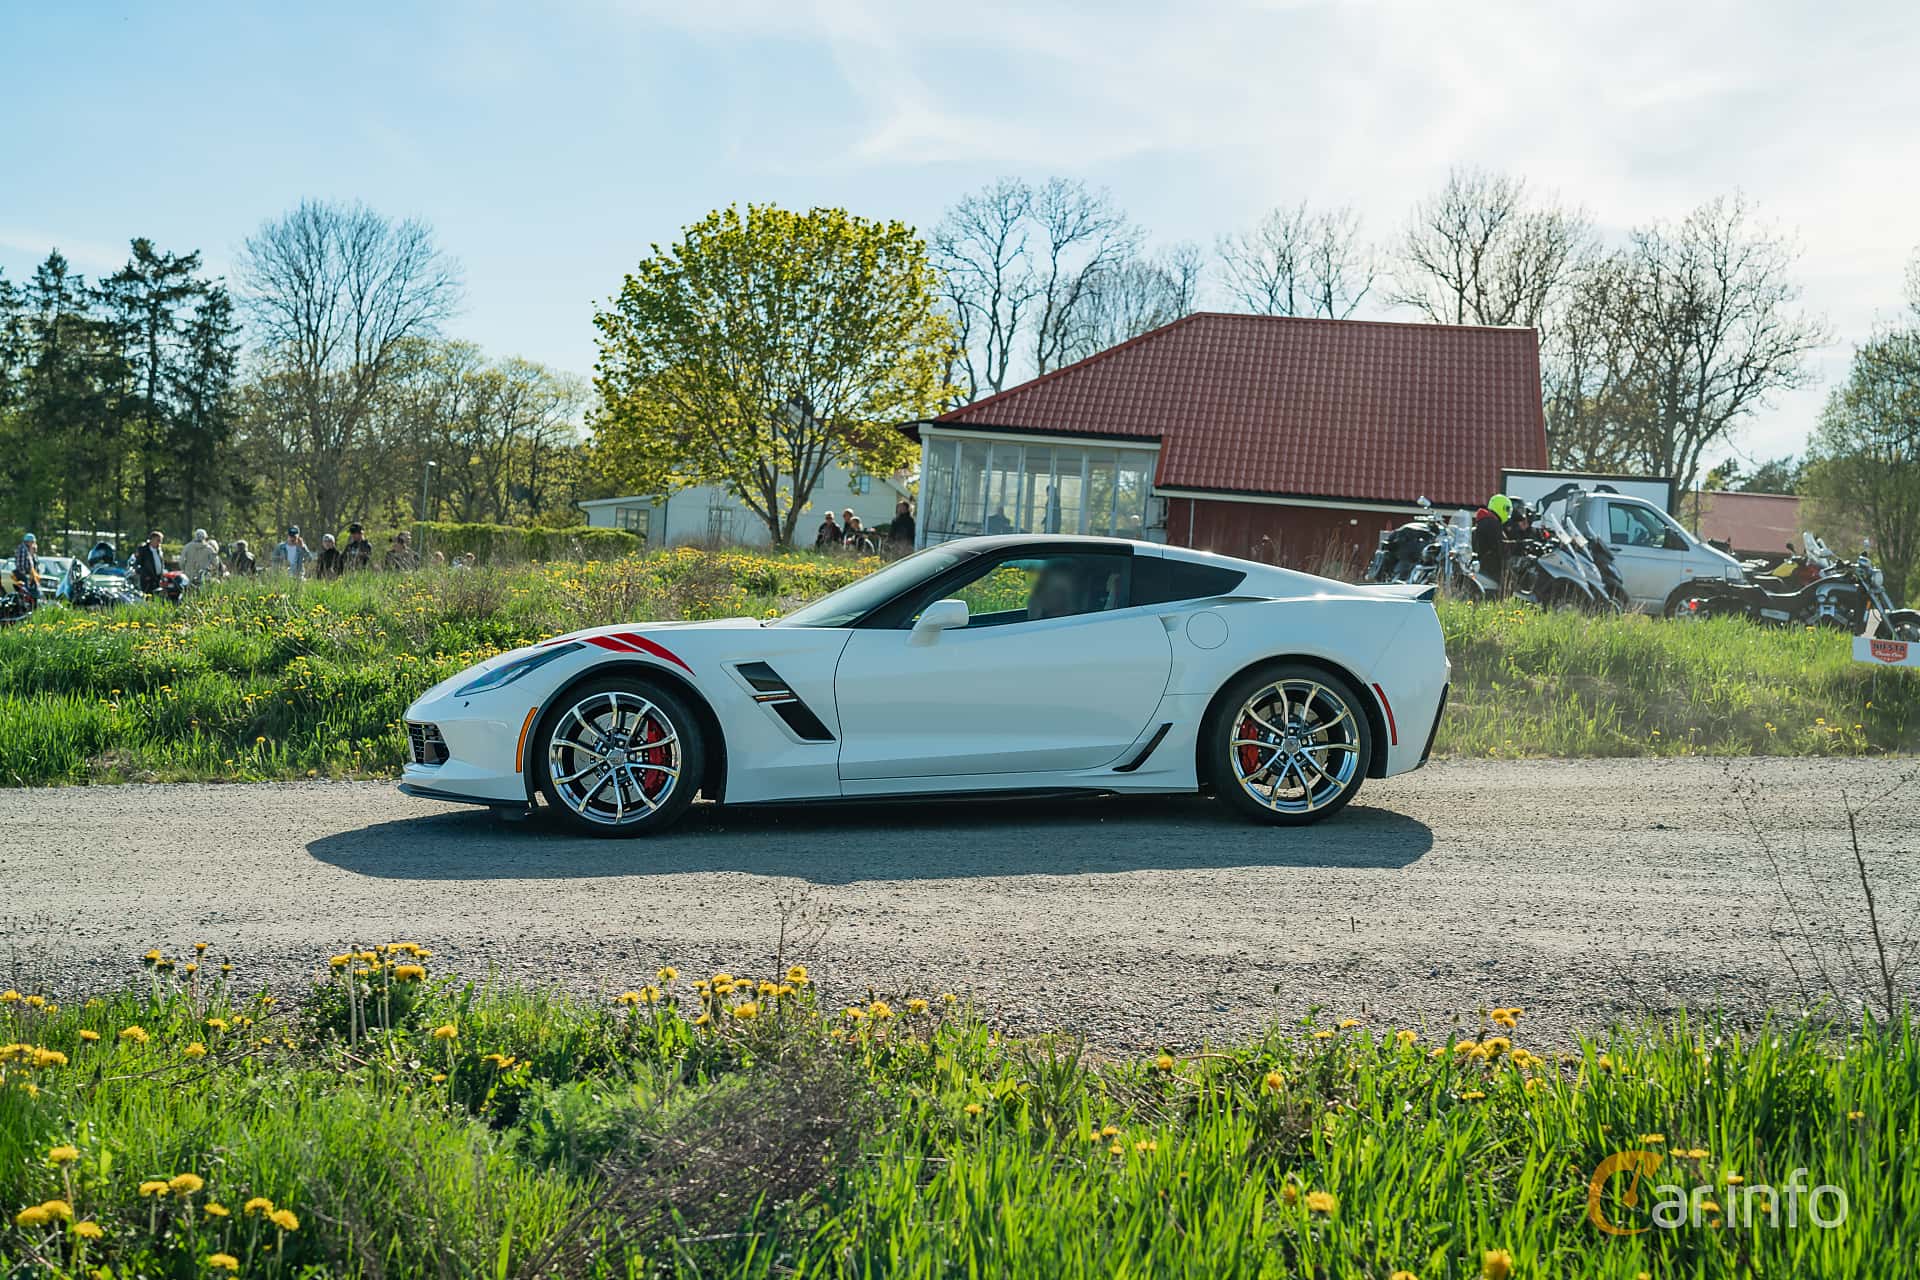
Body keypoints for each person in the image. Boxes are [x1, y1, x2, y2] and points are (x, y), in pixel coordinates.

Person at [1472, 494, 1514, 593]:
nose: (1508, 514)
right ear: (1500, 507)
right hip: (1490, 571)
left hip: (1482, 567)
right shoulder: (1492, 524)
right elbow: (1500, 548)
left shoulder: (1484, 522)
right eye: (1507, 509)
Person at [10, 532, 40, 609]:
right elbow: (21, 564)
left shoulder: (27, 549)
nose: (33, 543)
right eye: (32, 542)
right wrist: (25, 574)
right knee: (26, 592)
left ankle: (31, 606)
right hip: (21, 574)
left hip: (26, 574)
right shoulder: (23, 549)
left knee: (31, 591)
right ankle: (26, 607)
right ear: (28, 542)